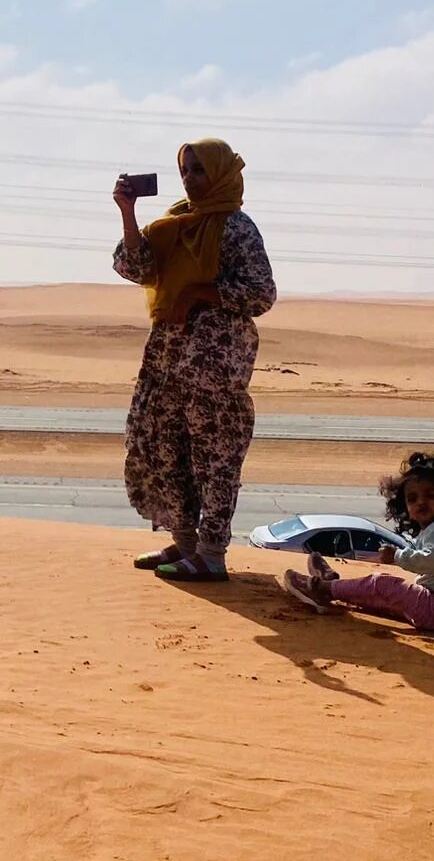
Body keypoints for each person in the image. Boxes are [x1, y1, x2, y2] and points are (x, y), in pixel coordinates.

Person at [111, 138, 277, 582]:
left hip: (215, 364)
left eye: (199, 170)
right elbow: (136, 267)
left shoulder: (238, 229)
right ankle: (184, 542)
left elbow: (262, 294)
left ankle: (211, 553)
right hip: (166, 358)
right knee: (166, 450)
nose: (190, 178)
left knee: (214, 458)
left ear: (222, 174)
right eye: (185, 170)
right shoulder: (175, 225)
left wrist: (202, 293)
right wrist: (128, 213)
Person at [282, 450, 434, 631]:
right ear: (406, 509)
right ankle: (335, 587)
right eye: (412, 499)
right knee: (384, 596)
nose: (421, 502)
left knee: (381, 584)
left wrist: (397, 556)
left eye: (430, 496)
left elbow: (433, 561)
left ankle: (320, 588)